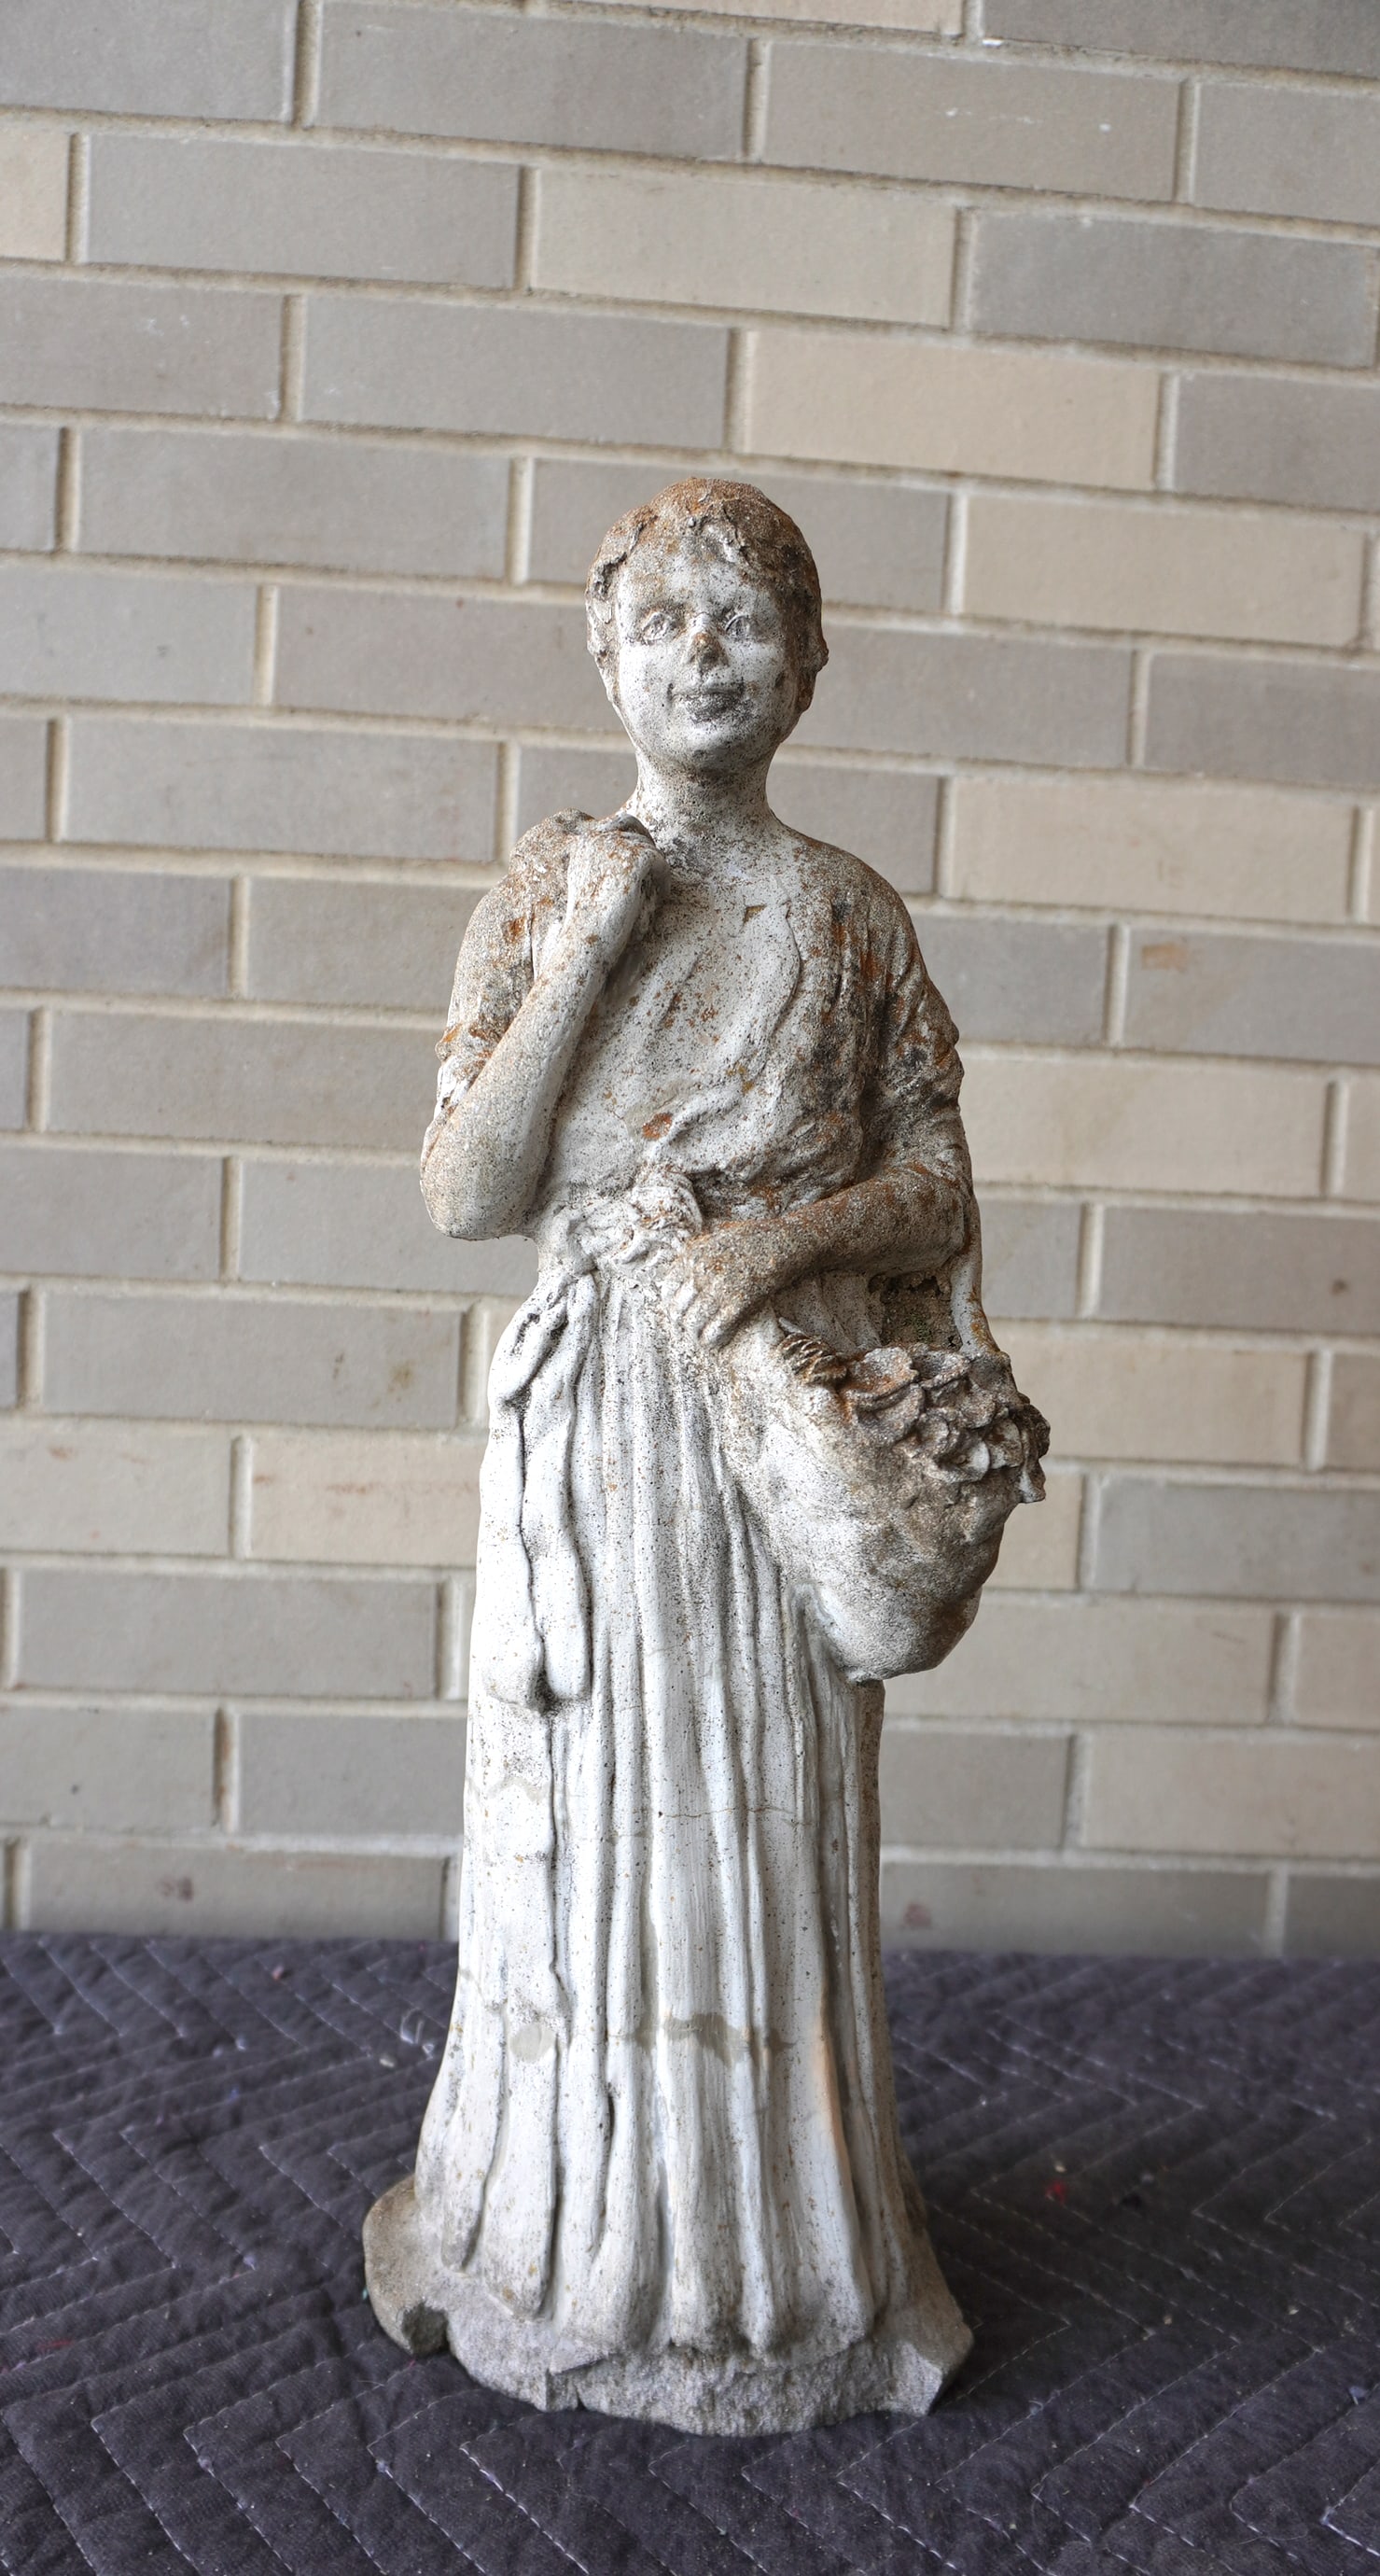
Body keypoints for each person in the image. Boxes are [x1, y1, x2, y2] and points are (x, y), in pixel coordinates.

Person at [365, 478, 1031, 2433]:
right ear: (607, 658)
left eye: (746, 621)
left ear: (809, 666)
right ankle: (550, 2243)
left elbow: (936, 1184)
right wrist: (591, 941)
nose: (706, 654)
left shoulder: (845, 915)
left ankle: (790, 2272)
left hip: (775, 1429)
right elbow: (466, 1190)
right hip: (593, 1434)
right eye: (664, 620)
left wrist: (776, 1244)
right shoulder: (542, 885)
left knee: (758, 1834)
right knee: (578, 1845)